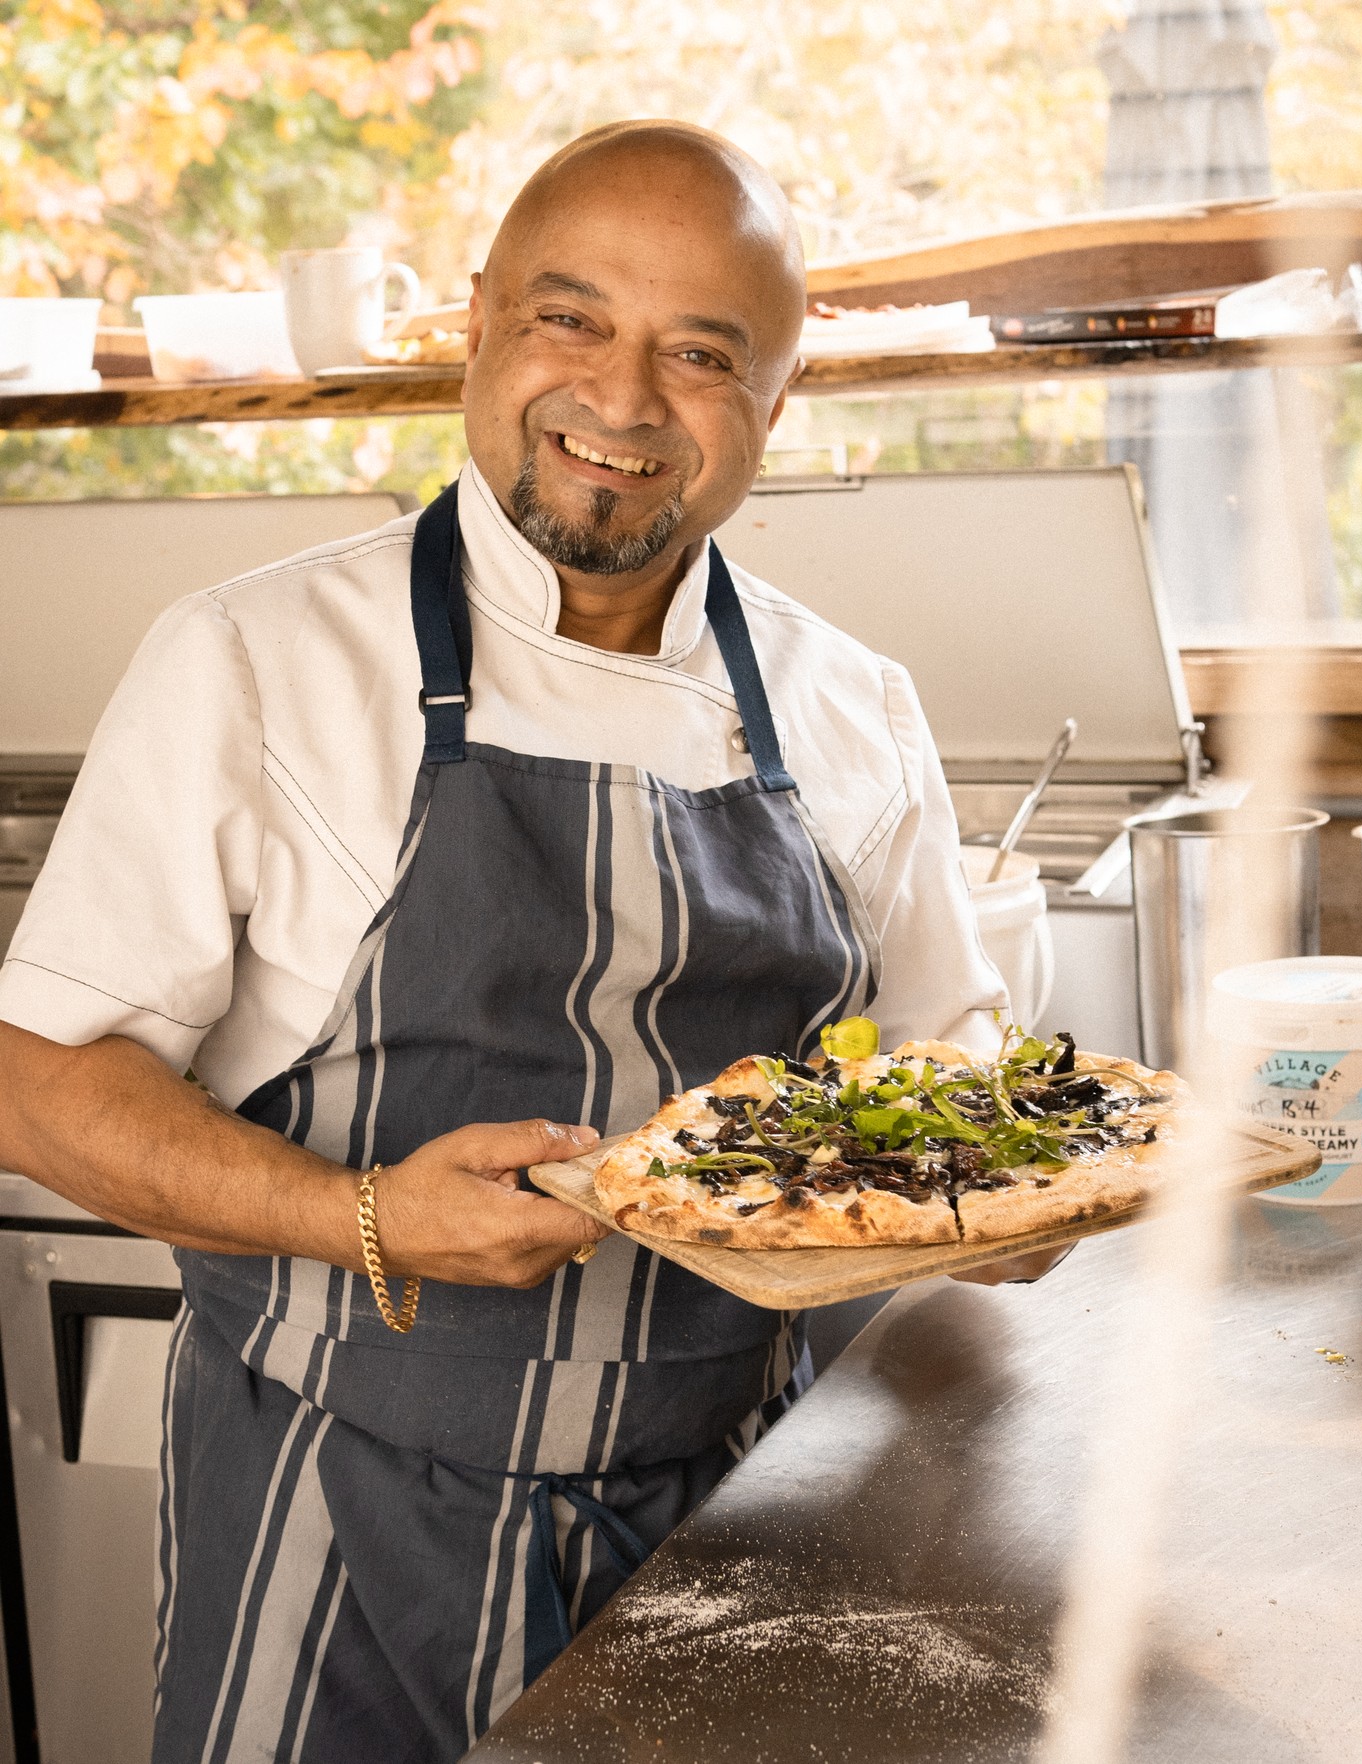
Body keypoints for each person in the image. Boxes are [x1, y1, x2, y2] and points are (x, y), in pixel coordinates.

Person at [0, 121, 1047, 1762]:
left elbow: (937, 1067)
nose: (623, 401)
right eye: (571, 321)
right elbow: (38, 1081)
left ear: (777, 403)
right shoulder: (258, 661)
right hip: (338, 1518)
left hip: (744, 1517)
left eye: (701, 354)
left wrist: (1000, 1193)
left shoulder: (856, 710)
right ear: (480, 322)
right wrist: (361, 1215)